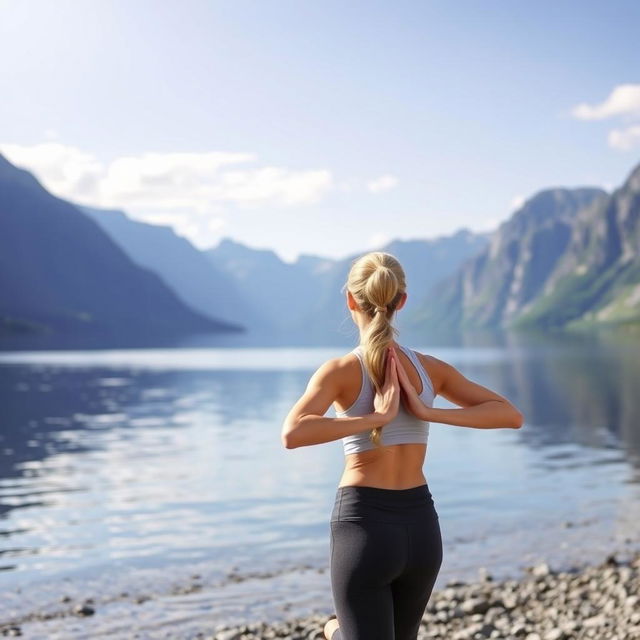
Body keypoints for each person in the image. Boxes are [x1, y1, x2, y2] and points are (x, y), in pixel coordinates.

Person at [281, 251, 524, 640]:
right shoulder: (430, 369)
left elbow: (293, 433)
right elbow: (509, 414)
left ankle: (333, 632)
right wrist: (429, 412)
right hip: (421, 528)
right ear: (402, 302)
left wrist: (376, 419)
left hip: (364, 527)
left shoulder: (341, 371)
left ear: (350, 300)